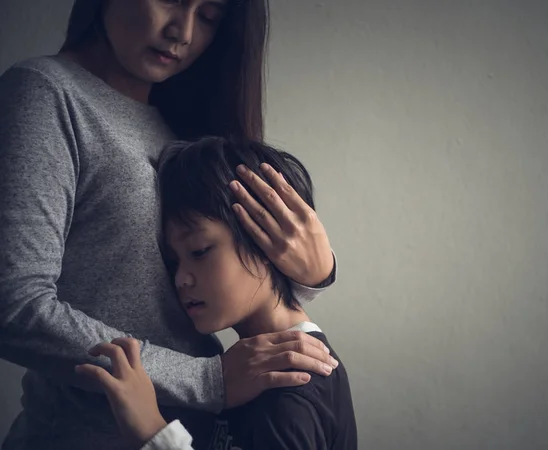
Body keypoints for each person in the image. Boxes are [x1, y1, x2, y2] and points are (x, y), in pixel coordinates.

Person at [0, 1, 338, 449]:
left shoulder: (181, 119)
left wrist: (314, 274)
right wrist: (208, 380)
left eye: (210, 16)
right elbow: (14, 305)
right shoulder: (46, 93)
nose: (183, 31)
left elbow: (215, 264)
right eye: (172, 0)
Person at [77, 137, 357, 450]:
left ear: (265, 239)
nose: (181, 279)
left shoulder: (290, 387)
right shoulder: (256, 373)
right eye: (173, 262)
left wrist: (154, 435)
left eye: (199, 251)